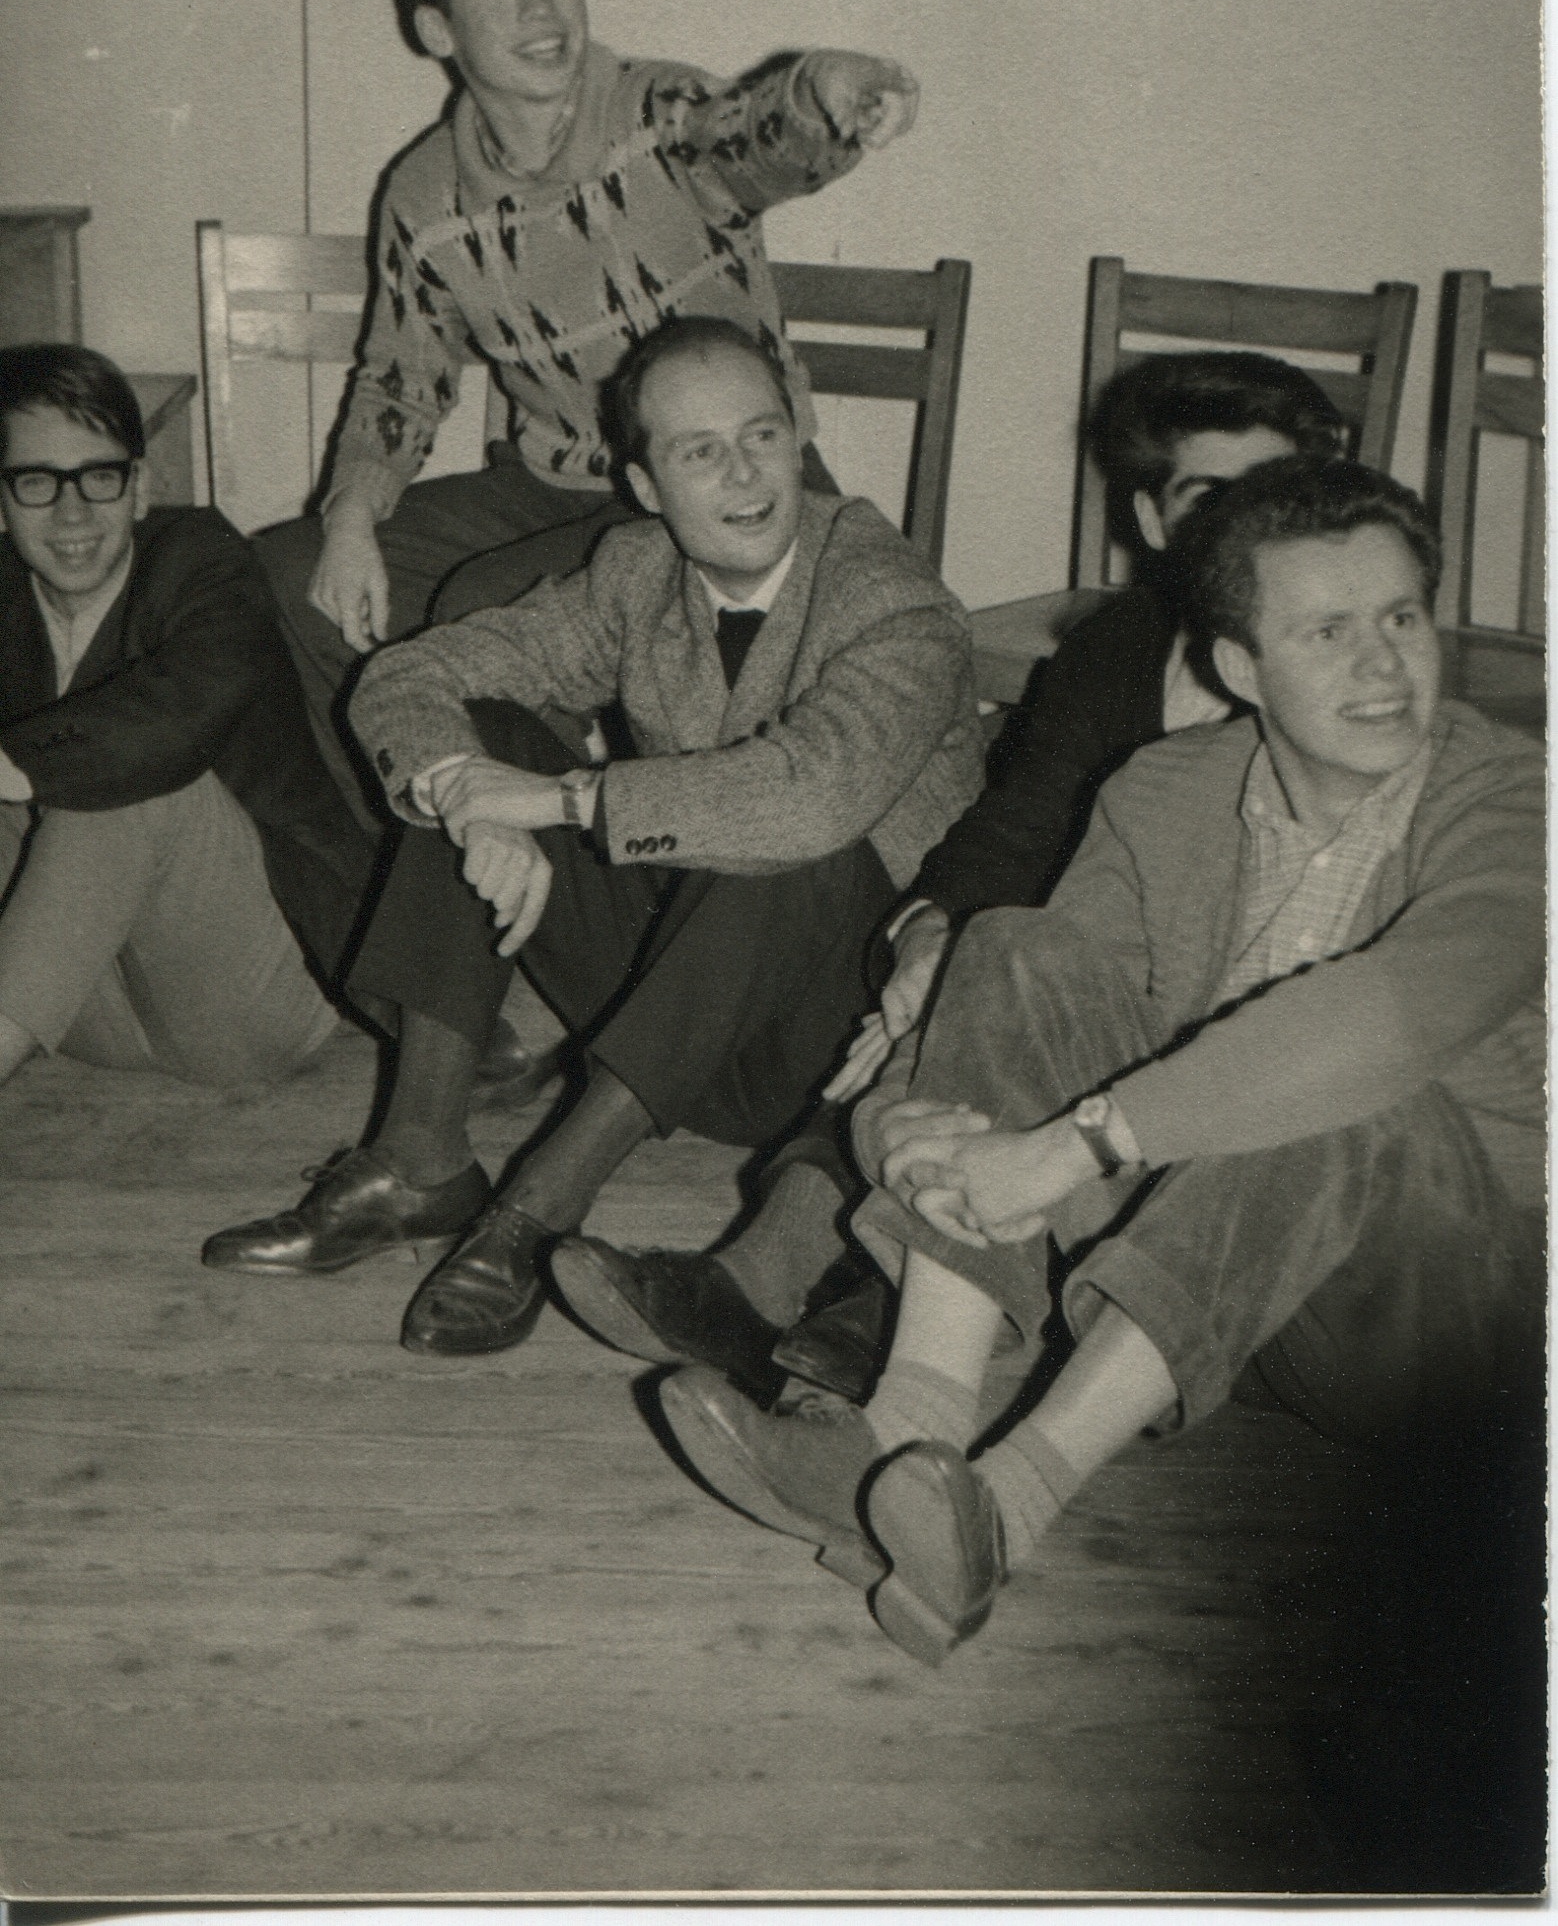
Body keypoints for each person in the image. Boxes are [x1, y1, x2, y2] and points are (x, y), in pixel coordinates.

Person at [658, 458, 1544, 1665]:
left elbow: (1393, 1017)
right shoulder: (1165, 790)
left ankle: (1009, 1503)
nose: (1383, 667)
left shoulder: (1516, 802)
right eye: (1328, 632)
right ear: (1239, 668)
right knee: (1013, 948)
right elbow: (1014, 1028)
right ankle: (904, 1428)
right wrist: (902, 1128)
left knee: (1329, 1080)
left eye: (1401, 620)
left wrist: (1070, 1148)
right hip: (1202, 1277)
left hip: (1449, 1326)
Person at [555, 350, 1344, 1402]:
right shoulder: (1120, 647)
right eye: (1208, 499)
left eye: (1272, 494)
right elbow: (1016, 822)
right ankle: (797, 1289)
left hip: (1230, 1059)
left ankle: (833, 1294)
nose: (1243, 527)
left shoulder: (1340, 680)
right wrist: (933, 933)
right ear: (1154, 523)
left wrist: (992, 978)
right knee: (957, 974)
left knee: (997, 997)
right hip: (1087, 995)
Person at [203, 317, 984, 1372]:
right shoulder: (638, 571)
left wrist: (559, 802)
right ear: (645, 486)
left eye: (762, 436)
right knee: (475, 743)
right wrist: (474, 798)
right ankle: (419, 1159)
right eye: (699, 451)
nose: (744, 475)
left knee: (787, 843)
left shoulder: (893, 597)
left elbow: (812, 797)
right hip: (665, 1003)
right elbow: (411, 673)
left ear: (799, 439)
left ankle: (536, 1209)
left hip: (825, 1048)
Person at [255, 0, 920, 828]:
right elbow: (402, 379)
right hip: (558, 485)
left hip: (723, 476)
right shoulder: (423, 194)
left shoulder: (660, 115)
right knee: (294, 572)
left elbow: (759, 132)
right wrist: (353, 514)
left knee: (486, 604)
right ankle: (402, 849)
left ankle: (571, 856)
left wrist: (830, 89)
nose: (541, 9)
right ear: (437, 30)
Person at [0, 344, 375, 1101]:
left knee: (126, 779)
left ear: (141, 488)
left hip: (249, 1000)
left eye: (100, 477)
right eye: (36, 482)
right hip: (86, 1013)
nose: (72, 514)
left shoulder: (203, 558)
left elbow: (176, 717)